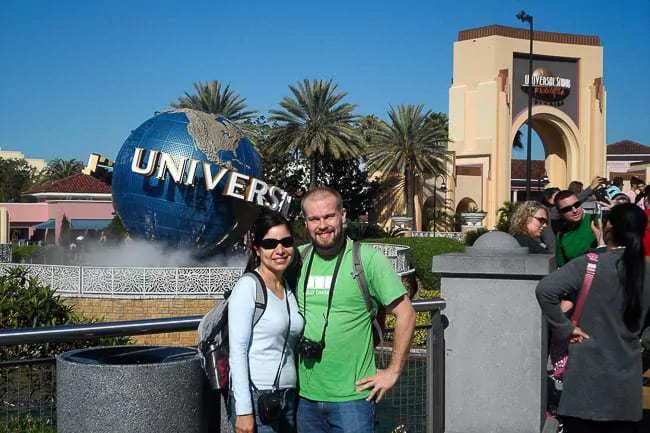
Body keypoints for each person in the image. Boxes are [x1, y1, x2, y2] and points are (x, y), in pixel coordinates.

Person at [296, 187, 416, 433]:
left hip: (353, 399)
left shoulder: (368, 260)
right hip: (304, 398)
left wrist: (393, 372)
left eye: (329, 216)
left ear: (343, 216)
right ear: (305, 223)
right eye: (314, 219)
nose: (322, 225)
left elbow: (406, 313)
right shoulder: (297, 259)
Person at [536, 203, 650, 433]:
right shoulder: (646, 270)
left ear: (609, 226)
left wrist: (566, 328)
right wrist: (644, 342)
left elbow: (545, 290)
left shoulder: (589, 265)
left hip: (585, 377)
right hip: (626, 380)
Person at [228, 211, 304, 433]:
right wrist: (243, 411)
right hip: (257, 397)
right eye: (270, 243)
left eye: (286, 242)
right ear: (257, 249)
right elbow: (238, 351)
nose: (279, 250)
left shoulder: (288, 288)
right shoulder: (248, 287)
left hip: (288, 397)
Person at [554, 190, 597, 267]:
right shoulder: (561, 235)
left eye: (577, 204)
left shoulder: (596, 220)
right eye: (567, 209)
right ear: (560, 213)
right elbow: (562, 266)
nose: (574, 210)